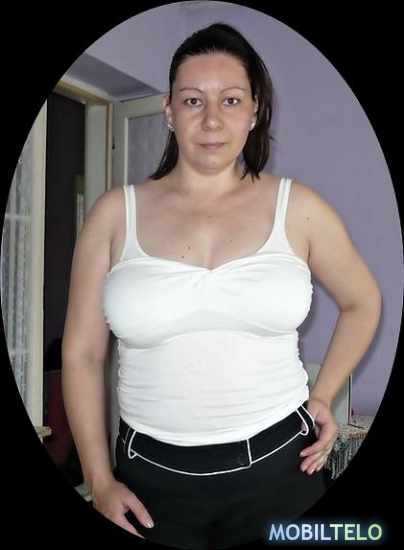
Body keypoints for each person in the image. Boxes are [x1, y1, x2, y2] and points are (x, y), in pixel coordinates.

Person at [61, 22, 381, 550]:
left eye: (230, 100)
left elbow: (363, 302)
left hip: (283, 471)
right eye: (193, 100)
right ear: (169, 110)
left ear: (254, 111)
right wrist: (98, 479)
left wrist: (323, 395)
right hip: (149, 481)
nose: (211, 119)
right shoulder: (114, 214)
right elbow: (81, 354)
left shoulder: (298, 208)